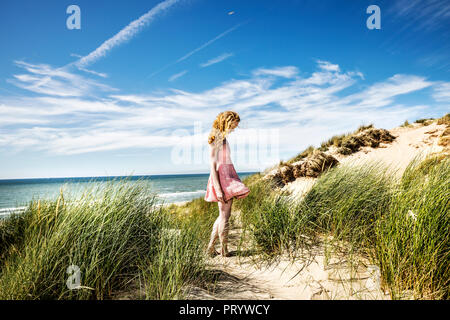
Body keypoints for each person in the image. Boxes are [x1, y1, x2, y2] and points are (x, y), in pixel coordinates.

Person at [204, 111, 250, 257]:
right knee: (225, 216)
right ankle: (224, 250)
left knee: (222, 215)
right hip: (222, 178)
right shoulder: (217, 137)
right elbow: (212, 165)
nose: (234, 129)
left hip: (226, 176)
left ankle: (211, 247)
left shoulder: (221, 138)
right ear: (227, 122)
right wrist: (218, 189)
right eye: (233, 125)